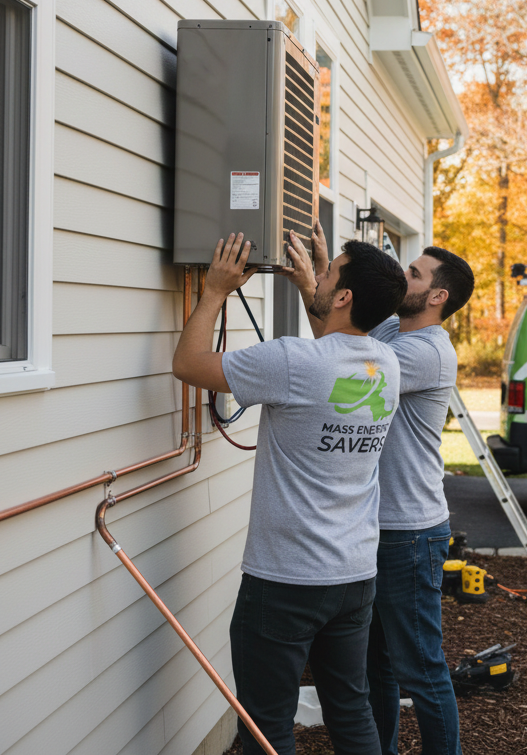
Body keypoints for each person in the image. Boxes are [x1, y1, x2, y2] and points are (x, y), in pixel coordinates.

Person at [172, 231, 407, 755]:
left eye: (329, 271)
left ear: (344, 296)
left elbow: (188, 365)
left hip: (286, 580)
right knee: (351, 709)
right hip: (353, 575)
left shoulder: (291, 362)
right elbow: (332, 347)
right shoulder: (386, 364)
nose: (318, 273)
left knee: (266, 723)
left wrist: (215, 291)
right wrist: (310, 288)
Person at [290, 225, 475, 755]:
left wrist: (313, 287)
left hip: (408, 532)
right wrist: (322, 278)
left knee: (421, 668)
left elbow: (337, 361)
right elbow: (338, 335)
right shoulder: (393, 328)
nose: (402, 276)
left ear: (437, 296)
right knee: (376, 667)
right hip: (378, 526)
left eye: (413, 274)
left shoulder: (425, 352)